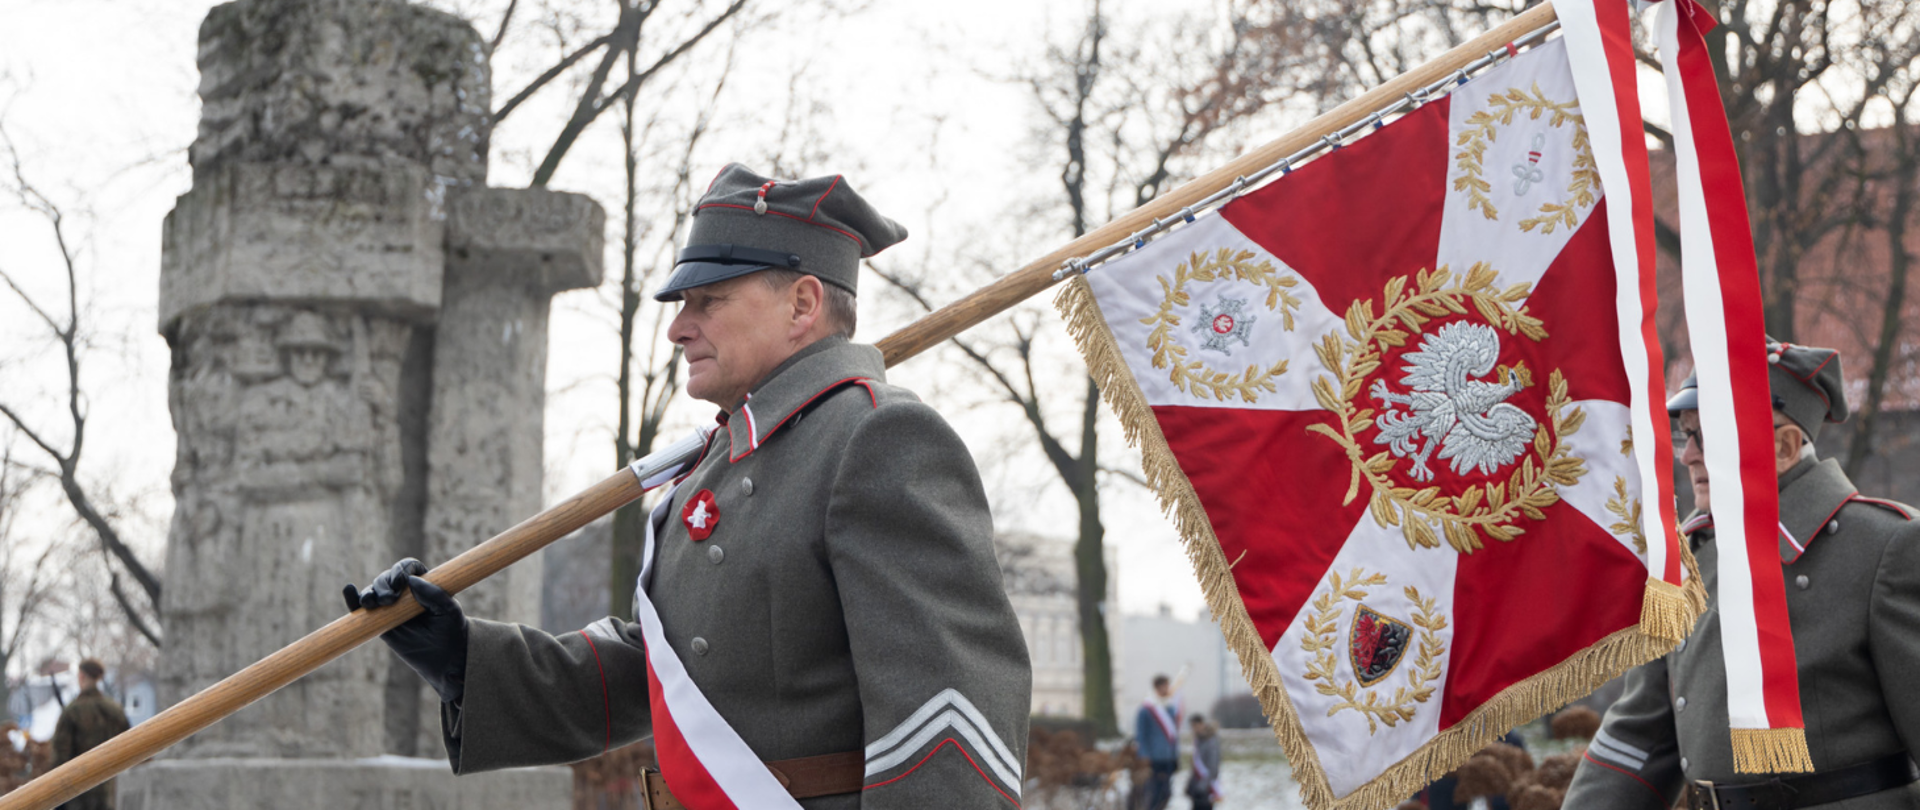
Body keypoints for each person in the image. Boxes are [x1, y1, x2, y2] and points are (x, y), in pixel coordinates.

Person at [354, 164, 1032, 809]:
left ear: (802, 303)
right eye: (684, 304)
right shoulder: (718, 460)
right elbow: (670, 672)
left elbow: (950, 714)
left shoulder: (879, 438)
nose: (679, 327)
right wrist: (466, 659)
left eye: (708, 301)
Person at [1564, 339, 1920, 808]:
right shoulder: (1690, 559)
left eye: (1708, 436)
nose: (1688, 455)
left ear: (1784, 445)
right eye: (1685, 435)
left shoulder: (1885, 546)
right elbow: (1642, 734)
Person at [51, 659, 130, 810]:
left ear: (81, 676)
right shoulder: (115, 711)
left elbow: (60, 758)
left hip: (77, 797)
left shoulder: (72, 712)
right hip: (109, 794)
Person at [1134, 674, 1182, 810]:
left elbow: (1173, 736)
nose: (1167, 689)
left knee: (1166, 794)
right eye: (1165, 686)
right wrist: (1144, 756)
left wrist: (1175, 756)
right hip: (1153, 759)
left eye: (1168, 685)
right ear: (1157, 687)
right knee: (1153, 794)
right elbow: (1141, 736)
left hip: (1168, 758)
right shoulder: (1146, 710)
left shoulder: (1170, 709)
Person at [1186, 713, 1222, 810]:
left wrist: (1202, 786)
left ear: (1202, 724)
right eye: (1193, 727)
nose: (1195, 729)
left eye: (1197, 726)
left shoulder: (1211, 741)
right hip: (1197, 786)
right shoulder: (1198, 740)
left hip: (1205, 787)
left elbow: (1213, 767)